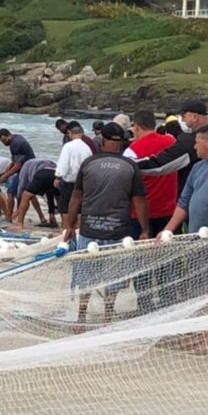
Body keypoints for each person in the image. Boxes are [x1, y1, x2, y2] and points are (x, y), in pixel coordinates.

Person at [62, 122, 148, 326]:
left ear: (103, 140)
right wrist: (145, 229)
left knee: (85, 277)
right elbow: (139, 201)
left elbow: (76, 197)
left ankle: (81, 318)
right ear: (121, 143)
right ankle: (107, 319)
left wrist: (70, 226)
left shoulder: (89, 163)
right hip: (117, 230)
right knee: (113, 278)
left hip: (89, 228)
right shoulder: (130, 166)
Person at [134, 99, 208, 195]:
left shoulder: (190, 141)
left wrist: (129, 164)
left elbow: (160, 165)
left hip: (196, 199)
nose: (182, 119)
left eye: (184, 115)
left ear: (195, 117)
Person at [124, 111, 177, 236]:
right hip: (168, 210)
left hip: (140, 213)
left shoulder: (132, 150)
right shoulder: (172, 142)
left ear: (136, 127)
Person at [53, 123, 93, 227]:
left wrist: (58, 176)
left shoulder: (68, 146)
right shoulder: (87, 148)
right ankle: (78, 230)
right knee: (79, 208)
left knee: (65, 208)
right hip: (83, 182)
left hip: (69, 181)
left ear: (70, 133)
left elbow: (63, 163)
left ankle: (66, 229)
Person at [11, 158, 59, 229]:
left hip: (42, 173)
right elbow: (50, 192)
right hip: (56, 173)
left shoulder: (25, 166)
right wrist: (51, 213)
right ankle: (64, 225)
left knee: (26, 195)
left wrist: (18, 208)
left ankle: (19, 223)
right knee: (59, 197)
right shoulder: (39, 162)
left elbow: (21, 188)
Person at [0, 129, 35, 198]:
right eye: (2, 142)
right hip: (31, 167)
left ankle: (13, 209)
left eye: (5, 140)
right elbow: (16, 160)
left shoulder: (15, 145)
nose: (5, 143)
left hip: (26, 171)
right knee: (29, 195)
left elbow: (17, 166)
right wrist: (8, 169)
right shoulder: (17, 137)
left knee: (10, 193)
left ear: (9, 135)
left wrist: (5, 176)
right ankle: (38, 209)